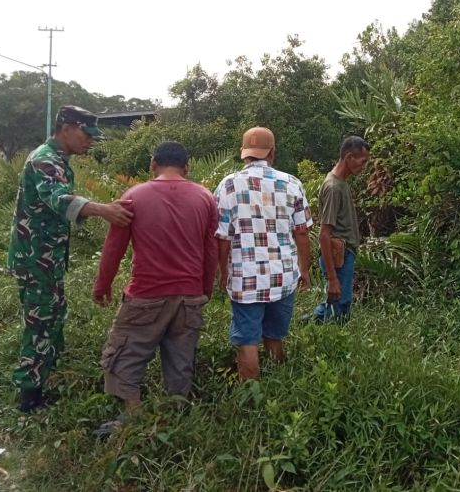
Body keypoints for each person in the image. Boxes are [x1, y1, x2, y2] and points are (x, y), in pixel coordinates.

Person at [7, 105, 134, 413]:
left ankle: (46, 380)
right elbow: (59, 200)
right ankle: (30, 397)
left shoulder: (57, 159)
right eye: (86, 134)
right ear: (66, 129)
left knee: (52, 317)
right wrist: (105, 210)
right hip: (36, 258)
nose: (89, 142)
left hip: (46, 257)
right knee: (40, 323)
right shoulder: (46, 160)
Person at [92, 141, 218, 433]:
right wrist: (204, 289)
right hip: (189, 296)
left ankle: (133, 416)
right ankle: (174, 419)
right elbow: (210, 249)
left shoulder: (134, 196)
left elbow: (114, 247)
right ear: (187, 168)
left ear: (152, 164)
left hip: (145, 295)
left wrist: (103, 285)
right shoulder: (205, 198)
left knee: (126, 354)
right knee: (181, 359)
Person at [214, 126, 313, 380]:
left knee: (247, 340)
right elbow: (302, 232)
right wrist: (305, 270)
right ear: (272, 152)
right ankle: (277, 388)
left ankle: (252, 397)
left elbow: (222, 236)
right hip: (283, 275)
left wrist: (222, 271)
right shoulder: (292, 183)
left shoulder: (228, 185)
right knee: (275, 334)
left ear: (244, 153)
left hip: (245, 278)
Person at [311, 136, 370, 322]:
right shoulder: (333, 187)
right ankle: (330, 346)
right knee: (340, 308)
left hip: (345, 254)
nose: (364, 166)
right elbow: (324, 235)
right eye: (363, 161)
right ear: (349, 157)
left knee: (335, 302)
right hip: (338, 257)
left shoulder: (342, 183)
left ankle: (309, 326)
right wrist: (332, 278)